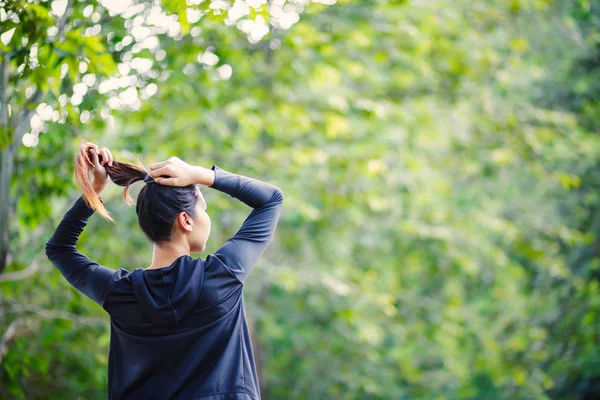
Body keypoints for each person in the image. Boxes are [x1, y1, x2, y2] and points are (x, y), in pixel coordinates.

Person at [44, 142, 284, 399]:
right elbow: (271, 199)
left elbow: (59, 249)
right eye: (204, 209)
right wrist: (199, 174)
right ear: (186, 220)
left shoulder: (121, 293)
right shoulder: (221, 277)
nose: (207, 217)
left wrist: (95, 189)